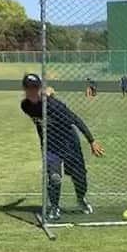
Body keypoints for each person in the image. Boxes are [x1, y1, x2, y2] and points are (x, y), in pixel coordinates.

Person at [20, 73, 105, 220]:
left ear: (39, 88)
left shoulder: (54, 106)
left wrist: (91, 141)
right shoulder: (25, 106)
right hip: (50, 147)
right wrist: (47, 95)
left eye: (34, 88)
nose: (31, 91)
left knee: (79, 176)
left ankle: (81, 199)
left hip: (69, 144)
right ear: (24, 89)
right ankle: (54, 207)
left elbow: (75, 119)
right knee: (54, 177)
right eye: (28, 88)